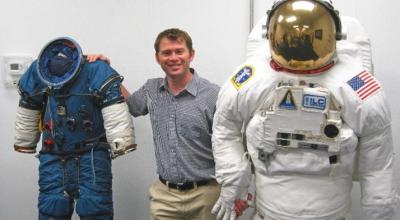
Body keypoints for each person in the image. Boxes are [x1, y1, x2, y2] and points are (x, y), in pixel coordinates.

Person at [211, 0, 397, 220]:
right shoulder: (254, 78)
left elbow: (377, 164)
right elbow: (224, 127)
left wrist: (380, 213)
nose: (299, 42)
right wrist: (233, 179)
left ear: (334, 33)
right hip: (269, 212)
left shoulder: (356, 86)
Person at [92, 28, 221, 220]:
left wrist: (236, 189)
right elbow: (133, 107)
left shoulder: (213, 95)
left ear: (191, 55)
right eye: (166, 53)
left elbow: (230, 143)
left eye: (179, 51)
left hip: (206, 195)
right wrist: (108, 72)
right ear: (157, 58)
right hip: (165, 196)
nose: (173, 58)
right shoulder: (151, 89)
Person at [14, 37, 136, 220]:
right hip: (53, 155)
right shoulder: (38, 71)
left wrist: (122, 141)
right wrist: (24, 141)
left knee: (95, 210)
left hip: (92, 156)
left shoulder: (95, 70)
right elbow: (29, 104)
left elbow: (114, 102)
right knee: (51, 210)